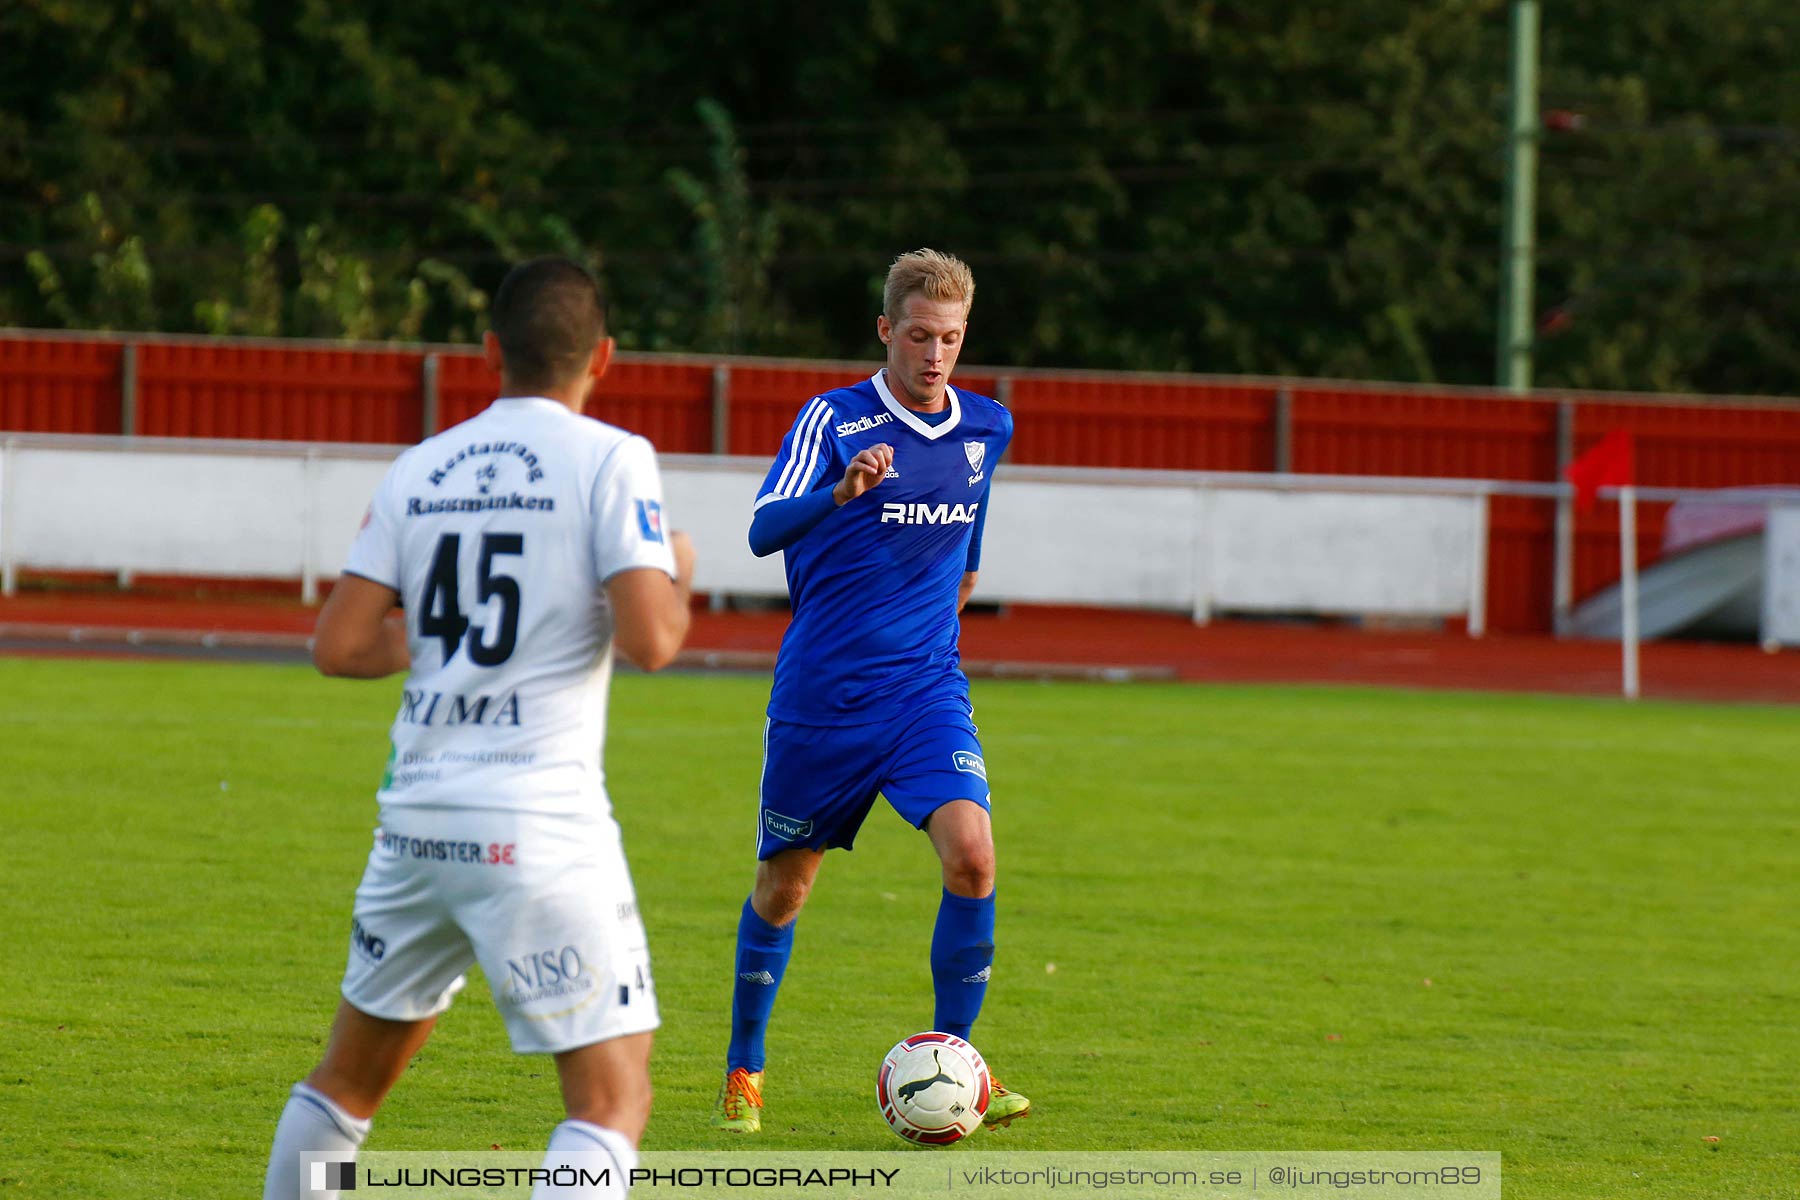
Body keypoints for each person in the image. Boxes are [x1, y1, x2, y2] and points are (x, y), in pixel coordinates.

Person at [262, 256, 695, 1200]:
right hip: (537, 823)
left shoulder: (421, 466)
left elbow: (339, 646)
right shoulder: (612, 457)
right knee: (608, 1104)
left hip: (415, 820)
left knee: (344, 1086)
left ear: (490, 351)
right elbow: (653, 640)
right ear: (605, 359)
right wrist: (675, 570)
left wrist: (449, 642)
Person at [711, 248, 1027, 1134]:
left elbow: (967, 551)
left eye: (952, 339)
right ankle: (745, 1068)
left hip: (926, 692)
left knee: (974, 856)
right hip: (824, 699)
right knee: (786, 887)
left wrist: (934, 636)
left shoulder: (986, 428)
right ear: (886, 330)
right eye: (920, 335)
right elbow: (762, 530)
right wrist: (840, 492)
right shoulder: (832, 420)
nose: (936, 355)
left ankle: (962, 1067)